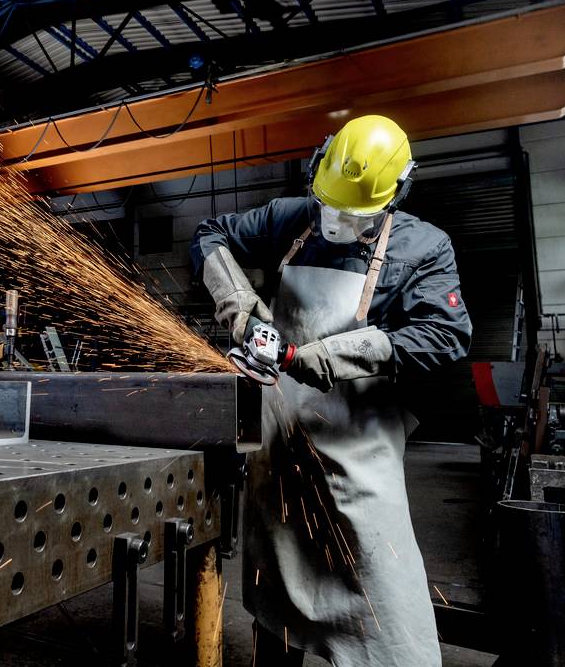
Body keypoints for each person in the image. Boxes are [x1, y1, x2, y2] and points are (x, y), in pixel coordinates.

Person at [191, 115, 471, 666]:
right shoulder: (293, 218)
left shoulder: (424, 249)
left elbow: (445, 334)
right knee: (277, 599)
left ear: (395, 196)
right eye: (328, 205)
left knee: (385, 608)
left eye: (353, 213)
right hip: (281, 444)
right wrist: (243, 312)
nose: (335, 222)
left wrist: (323, 357)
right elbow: (210, 236)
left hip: (356, 455)